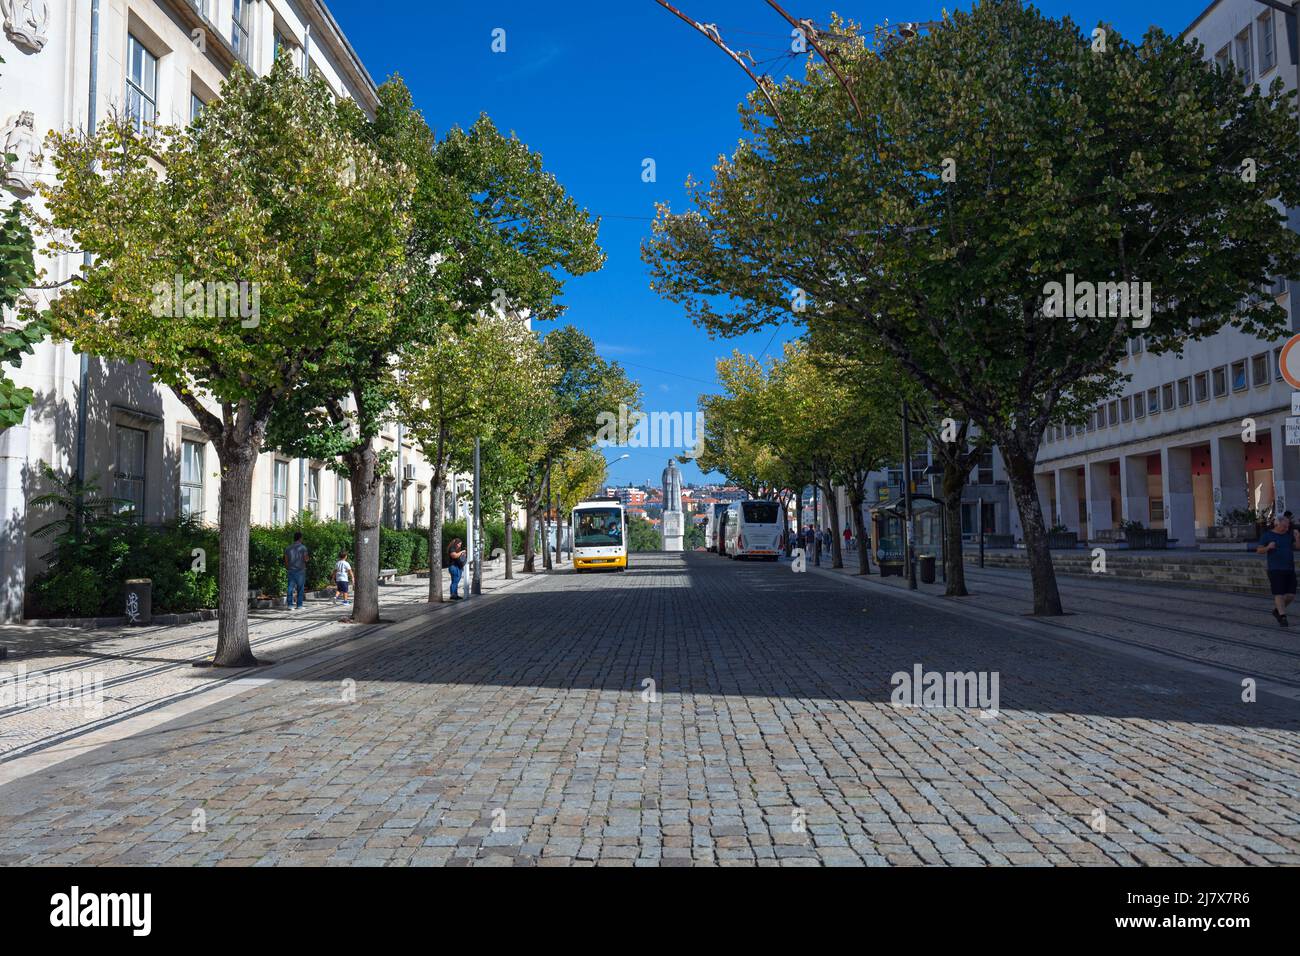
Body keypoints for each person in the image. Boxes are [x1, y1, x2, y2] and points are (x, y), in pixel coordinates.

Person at [1256, 513, 1300, 626]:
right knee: (1279, 593)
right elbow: (1259, 550)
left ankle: (1277, 610)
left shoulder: (1288, 535)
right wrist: (1268, 547)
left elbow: (1297, 547)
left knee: (1291, 595)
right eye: (1284, 526)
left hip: (1289, 569)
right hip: (1275, 569)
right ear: (1277, 524)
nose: (1287, 528)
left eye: (1287, 526)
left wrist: (1297, 537)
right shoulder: (1267, 536)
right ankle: (1282, 616)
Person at [284, 531, 309, 611]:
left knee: (290, 587)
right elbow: (306, 559)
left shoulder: (288, 548)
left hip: (291, 570)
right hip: (300, 570)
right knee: (300, 588)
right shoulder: (303, 548)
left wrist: (288, 567)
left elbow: (286, 559)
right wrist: (307, 559)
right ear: (300, 538)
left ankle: (290, 605)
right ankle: (299, 605)